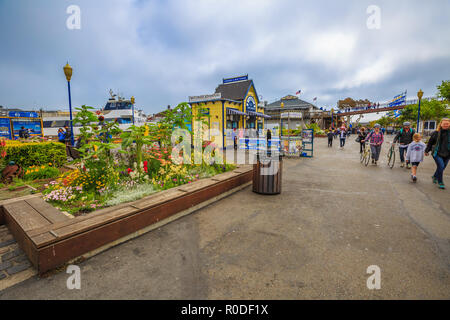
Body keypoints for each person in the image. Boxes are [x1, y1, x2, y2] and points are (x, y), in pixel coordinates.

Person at [425, 118, 450, 189]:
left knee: (442, 167)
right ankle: (440, 181)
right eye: (444, 124)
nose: (445, 125)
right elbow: (430, 143)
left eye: (447, 124)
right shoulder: (436, 133)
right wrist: (426, 151)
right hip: (437, 153)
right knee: (441, 166)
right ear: (441, 124)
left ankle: (435, 176)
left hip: (447, 153)